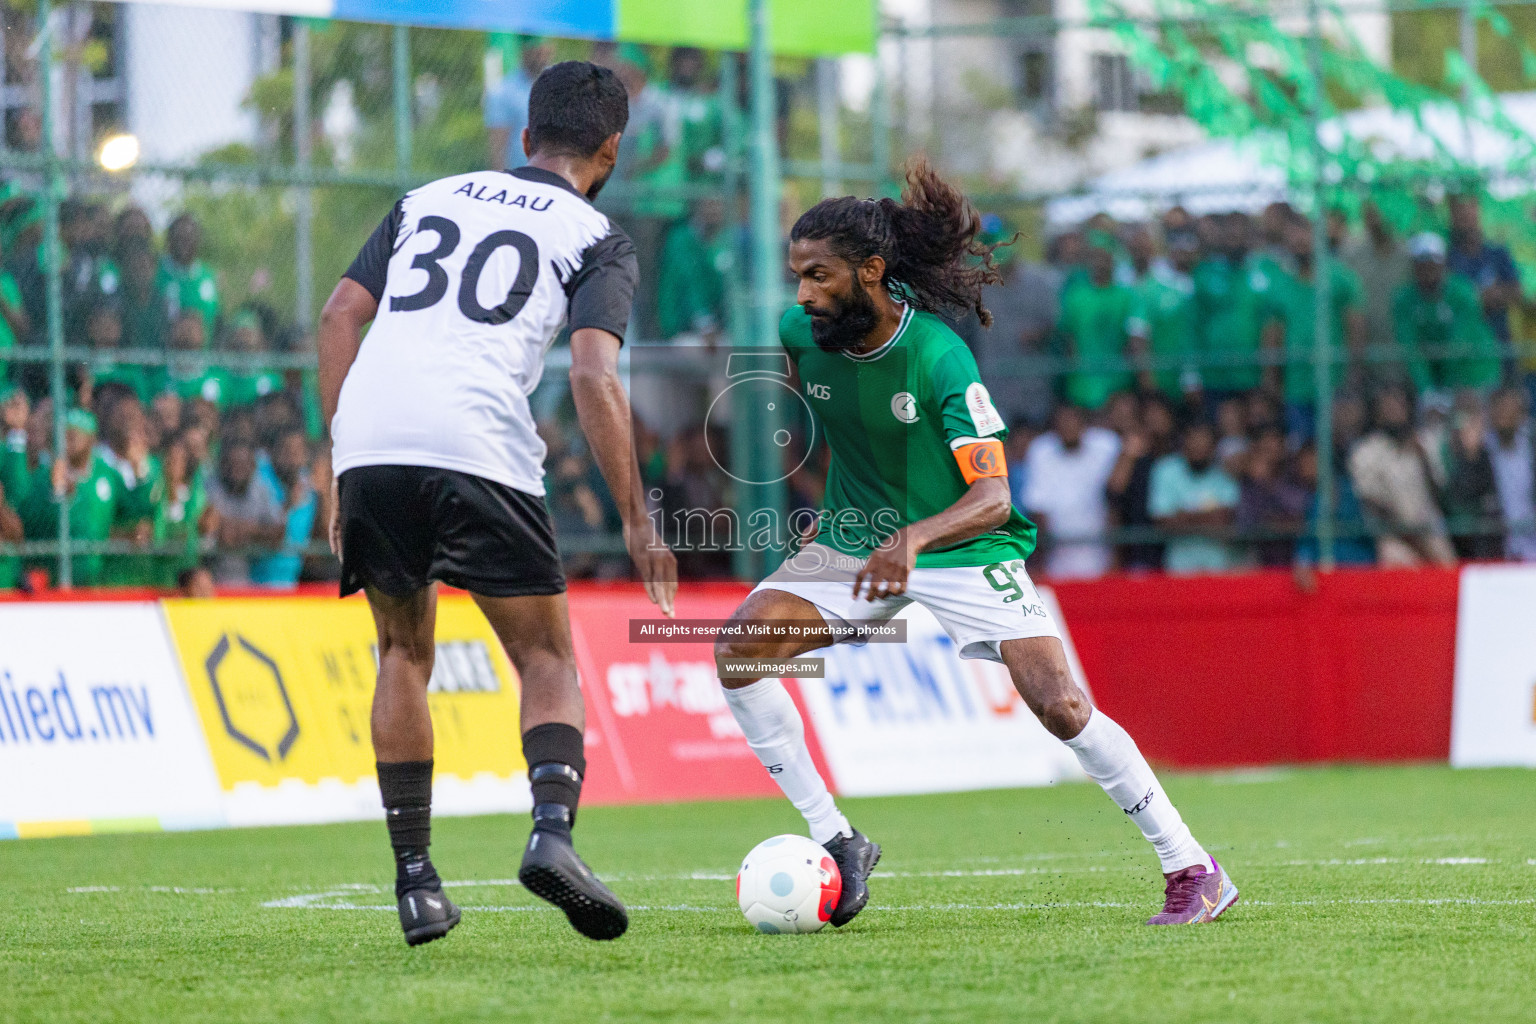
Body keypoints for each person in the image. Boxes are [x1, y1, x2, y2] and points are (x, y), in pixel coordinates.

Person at [711, 162, 1237, 930]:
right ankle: (839, 839)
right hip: (860, 543)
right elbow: (837, 427)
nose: (802, 296)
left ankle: (1193, 867)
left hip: (961, 546)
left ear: (871, 272)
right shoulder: (802, 335)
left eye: (818, 277)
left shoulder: (939, 359)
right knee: (739, 652)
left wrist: (914, 536)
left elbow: (993, 498)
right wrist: (842, 514)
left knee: (1059, 705)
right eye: (797, 277)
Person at [318, 61, 675, 946]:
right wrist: (636, 514)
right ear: (611, 150)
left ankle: (416, 883)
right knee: (547, 658)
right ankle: (551, 833)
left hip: (371, 436)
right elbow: (593, 374)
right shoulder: (597, 234)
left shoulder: (425, 198)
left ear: (524, 137)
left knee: (402, 648)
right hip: (477, 440)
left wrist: (340, 459)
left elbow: (337, 315)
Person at [1348, 387, 1455, 566]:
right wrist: (1418, 544)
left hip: (1429, 530)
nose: (1394, 411)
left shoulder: (1423, 442)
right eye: (1388, 406)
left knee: (1449, 571)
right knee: (1396, 559)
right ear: (1377, 412)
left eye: (1399, 405)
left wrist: (1423, 459)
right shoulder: (1365, 451)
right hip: (1392, 537)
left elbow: (1441, 497)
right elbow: (1373, 506)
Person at [1392, 233, 1501, 395]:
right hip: (1435, 373)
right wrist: (1427, 391)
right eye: (1422, 264)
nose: (1428, 270)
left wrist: (1444, 389)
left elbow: (1459, 344)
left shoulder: (1462, 292)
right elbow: (1410, 348)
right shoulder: (1403, 299)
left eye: (1433, 263)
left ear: (1443, 263)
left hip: (1475, 371)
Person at [1021, 403, 1120, 579]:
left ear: (1084, 425)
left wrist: (1115, 555)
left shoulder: (1107, 445)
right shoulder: (1041, 450)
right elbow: (1037, 507)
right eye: (1063, 422)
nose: (1068, 426)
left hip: (1100, 549)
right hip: (1058, 555)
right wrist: (1042, 556)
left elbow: (1116, 499)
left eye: (1073, 421)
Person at [1149, 419, 1242, 574]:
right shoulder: (1165, 469)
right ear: (1183, 444)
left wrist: (1183, 516)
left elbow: (1225, 520)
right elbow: (1163, 522)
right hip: (1178, 571)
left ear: (1213, 447)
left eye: (1204, 444)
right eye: (1193, 443)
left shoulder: (1225, 472)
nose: (1198, 448)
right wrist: (1209, 517)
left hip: (1218, 569)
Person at [1058, 242, 1134, 410]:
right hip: (1082, 384)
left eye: (1105, 258)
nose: (1100, 263)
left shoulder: (1127, 296)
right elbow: (1068, 338)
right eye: (1095, 258)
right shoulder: (1075, 296)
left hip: (1118, 382)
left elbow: (1132, 341)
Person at [1446, 194, 1521, 352]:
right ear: (1452, 216)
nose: (1466, 216)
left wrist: (1496, 295)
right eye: (1460, 212)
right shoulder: (1447, 259)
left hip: (1499, 341)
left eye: (1470, 210)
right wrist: (1477, 298)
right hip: (1462, 348)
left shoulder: (1498, 253)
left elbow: (1517, 291)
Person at [206, 438, 286, 585]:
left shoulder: (261, 489)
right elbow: (211, 526)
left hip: (254, 580)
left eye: (243, 465)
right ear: (223, 466)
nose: (237, 472)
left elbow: (279, 530)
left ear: (253, 467)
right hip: (213, 577)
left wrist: (251, 530)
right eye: (233, 465)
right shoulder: (211, 487)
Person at [484, 35, 553, 171]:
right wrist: (500, 176)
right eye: (533, 47)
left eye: (542, 46)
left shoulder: (562, 85)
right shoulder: (503, 90)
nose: (539, 52)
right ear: (523, 50)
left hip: (554, 174)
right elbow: (498, 141)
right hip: (518, 174)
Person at [1487, 387, 1536, 560]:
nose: (1504, 416)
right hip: (1497, 545)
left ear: (1521, 413)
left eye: (1509, 409)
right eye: (1499, 409)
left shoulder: (1531, 445)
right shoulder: (1482, 450)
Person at [158, 213, 220, 339]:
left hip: (204, 354)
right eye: (179, 238)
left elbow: (217, 317)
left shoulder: (208, 276)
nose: (184, 244)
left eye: (188, 238)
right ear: (169, 240)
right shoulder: (157, 272)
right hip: (164, 353)